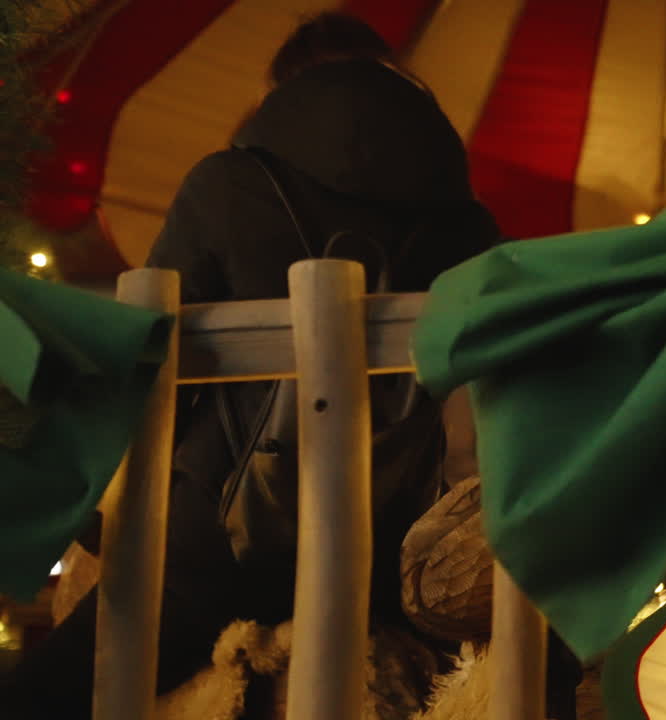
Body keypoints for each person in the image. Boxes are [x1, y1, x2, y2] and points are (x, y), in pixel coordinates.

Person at [0, 12, 499, 718]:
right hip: (399, 563)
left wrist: (96, 526)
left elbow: (144, 372)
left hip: (217, 560)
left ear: (282, 95)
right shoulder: (472, 225)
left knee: (35, 697)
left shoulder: (225, 185)